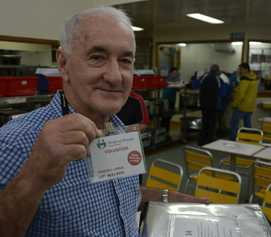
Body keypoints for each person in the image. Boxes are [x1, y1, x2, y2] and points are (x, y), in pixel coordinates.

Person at [0, 6, 205, 237]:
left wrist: (173, 200)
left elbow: (116, 200)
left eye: (125, 60)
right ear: (64, 64)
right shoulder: (14, 142)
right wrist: (34, 177)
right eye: (97, 57)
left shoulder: (117, 129)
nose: (115, 76)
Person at [229, 62, 259, 140]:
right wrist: (237, 88)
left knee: (234, 124)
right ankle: (248, 139)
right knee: (247, 125)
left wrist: (235, 104)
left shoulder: (244, 79)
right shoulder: (255, 78)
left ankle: (233, 140)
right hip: (250, 106)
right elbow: (249, 91)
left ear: (245, 69)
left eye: (241, 69)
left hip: (241, 106)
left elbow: (241, 95)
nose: (239, 71)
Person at [198, 64, 220, 146]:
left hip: (204, 104)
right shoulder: (213, 79)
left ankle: (203, 140)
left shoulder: (206, 78)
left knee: (205, 122)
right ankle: (209, 140)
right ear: (217, 71)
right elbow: (214, 94)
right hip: (211, 105)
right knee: (211, 123)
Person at [161, 67, 181, 133]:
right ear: (171, 73)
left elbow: (178, 88)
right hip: (166, 99)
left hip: (172, 99)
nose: (175, 74)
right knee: (165, 116)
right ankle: (163, 130)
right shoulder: (167, 79)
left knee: (169, 116)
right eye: (174, 73)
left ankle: (166, 131)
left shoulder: (175, 79)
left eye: (176, 73)